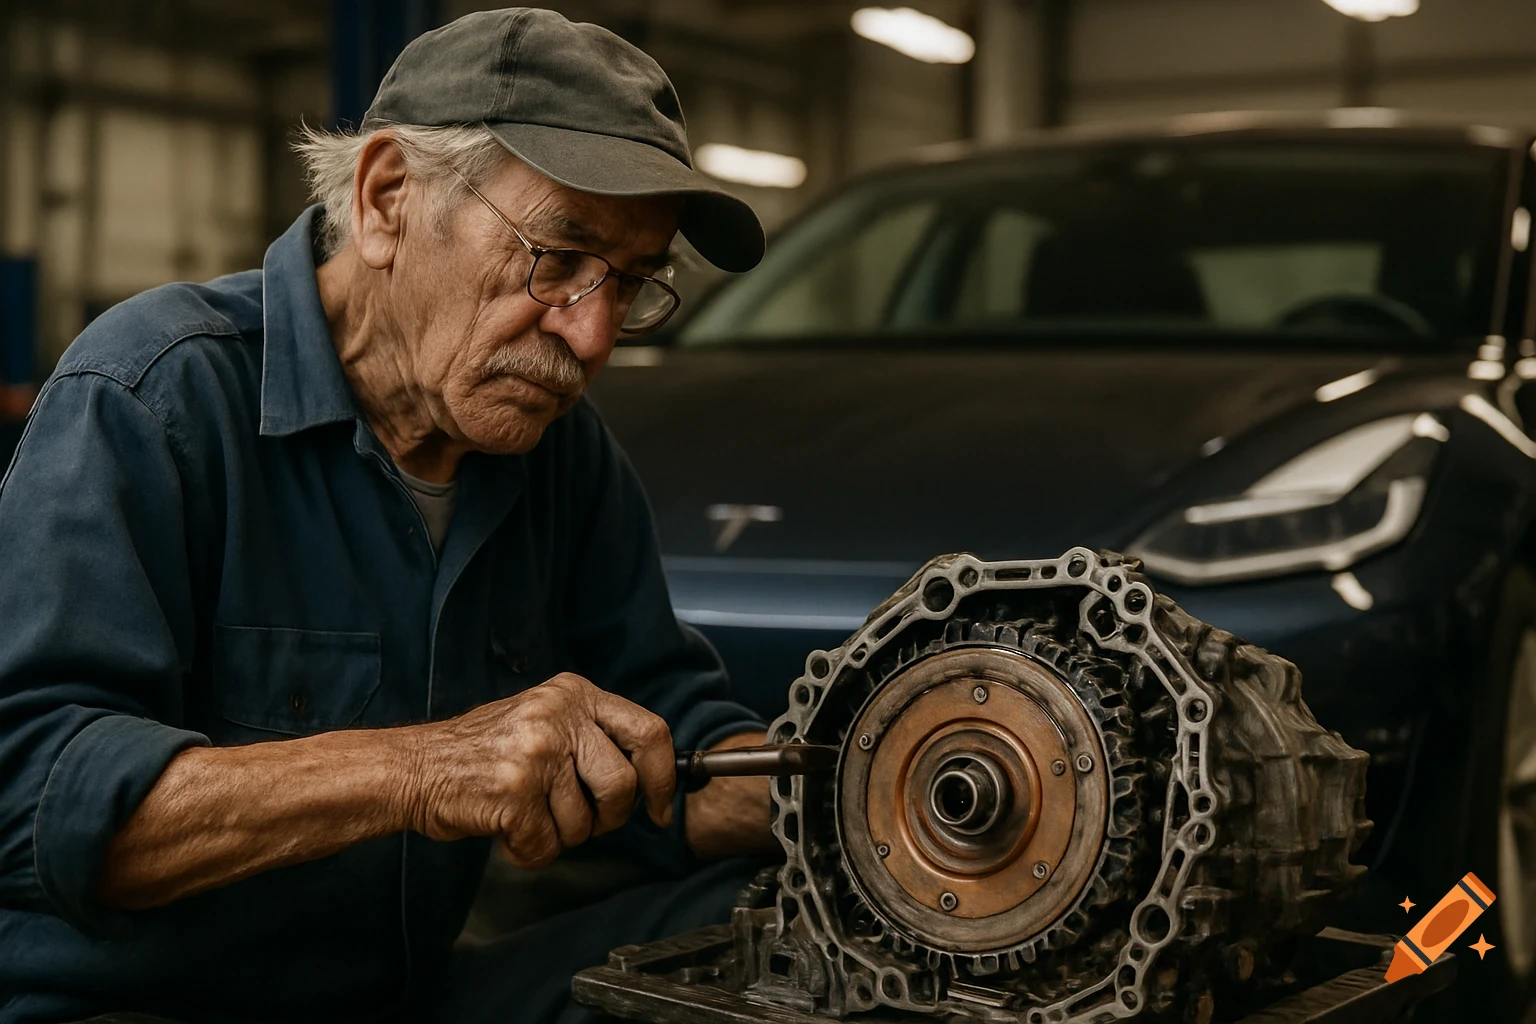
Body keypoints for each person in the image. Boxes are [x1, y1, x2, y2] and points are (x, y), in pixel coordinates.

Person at [0, 9, 775, 1023]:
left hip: (402, 992)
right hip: (147, 1003)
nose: (590, 338)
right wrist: (432, 766)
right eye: (556, 257)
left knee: (767, 930)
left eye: (628, 284)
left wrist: (863, 789)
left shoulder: (558, 453)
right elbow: (28, 797)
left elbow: (674, 732)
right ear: (386, 200)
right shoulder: (153, 397)